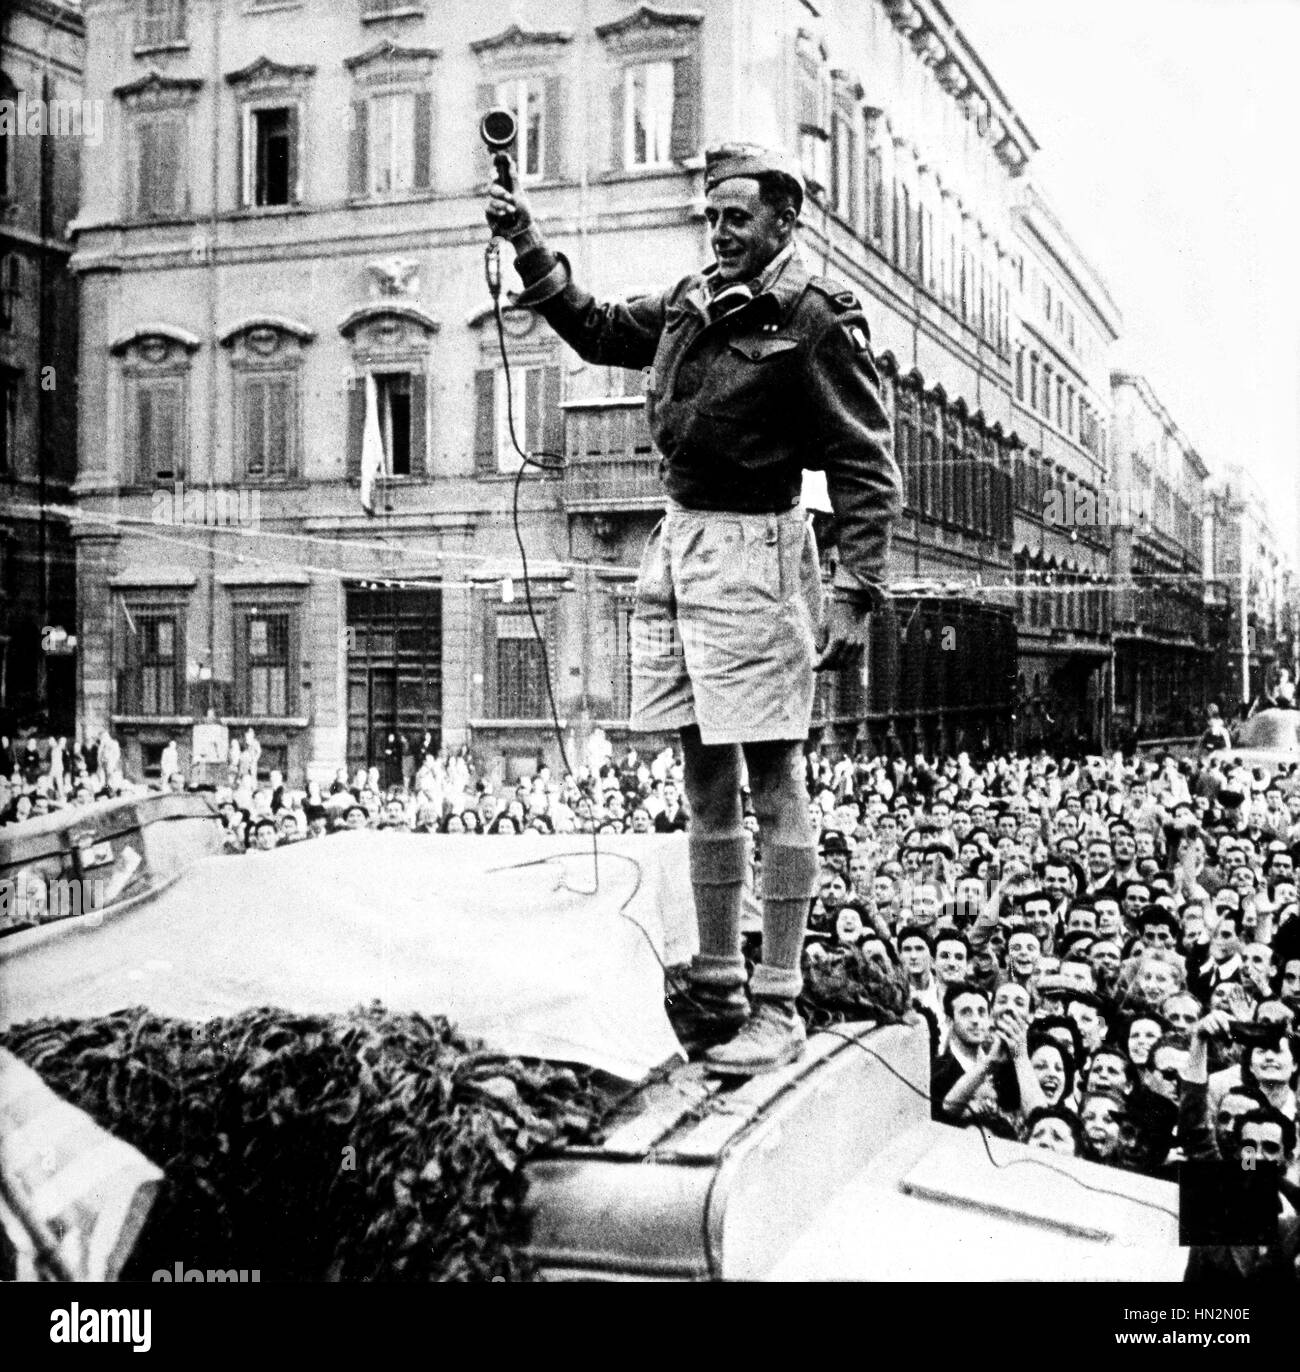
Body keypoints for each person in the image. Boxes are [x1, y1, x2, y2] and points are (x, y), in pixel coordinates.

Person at [486, 142, 899, 1074]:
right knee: (703, 778)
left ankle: (778, 1000)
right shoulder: (688, 300)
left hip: (757, 554)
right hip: (680, 546)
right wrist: (527, 242)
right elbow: (592, 328)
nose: (718, 232)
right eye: (711, 217)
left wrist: (855, 590)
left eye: (737, 218)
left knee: (774, 774)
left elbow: (866, 463)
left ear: (784, 222)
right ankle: (718, 983)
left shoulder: (817, 319)